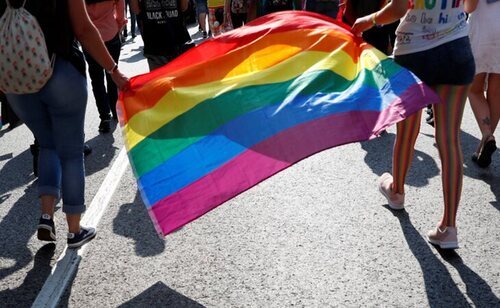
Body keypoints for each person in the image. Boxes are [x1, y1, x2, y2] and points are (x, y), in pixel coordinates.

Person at [0, 0, 129, 248]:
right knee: (71, 154)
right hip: (61, 72)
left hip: (18, 83)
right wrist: (113, 70)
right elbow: (84, 29)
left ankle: (46, 216)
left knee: (47, 144)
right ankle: (74, 230)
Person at [352, 0, 475, 249]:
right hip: (457, 48)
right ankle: (449, 227)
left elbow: (398, 8)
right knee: (449, 139)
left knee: (407, 132)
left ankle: (397, 191)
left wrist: (369, 20)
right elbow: (470, 6)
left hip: (414, 52)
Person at [84, 0, 127, 133]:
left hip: (91, 39)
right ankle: (115, 109)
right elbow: (120, 9)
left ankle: (104, 117)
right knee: (112, 74)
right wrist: (119, 25)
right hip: (111, 33)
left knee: (96, 79)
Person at [466, 0, 499, 168]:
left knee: (474, 90)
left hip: (482, 30)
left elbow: (469, 7)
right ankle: (483, 145)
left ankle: (487, 135)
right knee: (496, 93)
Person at [131, 0, 192, 71]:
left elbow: (136, 9)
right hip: (175, 38)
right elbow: (184, 7)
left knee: (160, 79)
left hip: (155, 42)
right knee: (179, 78)